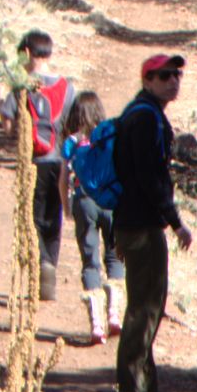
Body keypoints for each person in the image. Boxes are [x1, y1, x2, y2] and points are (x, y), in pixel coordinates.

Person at [112, 52, 194, 392]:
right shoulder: (144, 119)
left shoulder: (143, 113)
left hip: (135, 223)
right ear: (147, 80)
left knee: (147, 310)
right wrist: (175, 221)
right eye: (163, 76)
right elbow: (150, 179)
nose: (172, 81)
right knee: (143, 311)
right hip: (142, 227)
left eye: (176, 74)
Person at [0, 29, 75, 302]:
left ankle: (40, 264)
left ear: (28, 53)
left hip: (32, 160)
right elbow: (73, 126)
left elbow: (9, 129)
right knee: (54, 216)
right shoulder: (67, 87)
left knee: (33, 217)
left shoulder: (23, 87)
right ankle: (50, 266)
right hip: (60, 160)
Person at [59, 90, 127, 346]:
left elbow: (64, 178)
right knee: (114, 256)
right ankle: (114, 314)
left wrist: (66, 207)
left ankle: (96, 324)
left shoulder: (72, 142)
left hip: (84, 202)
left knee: (90, 261)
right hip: (110, 203)